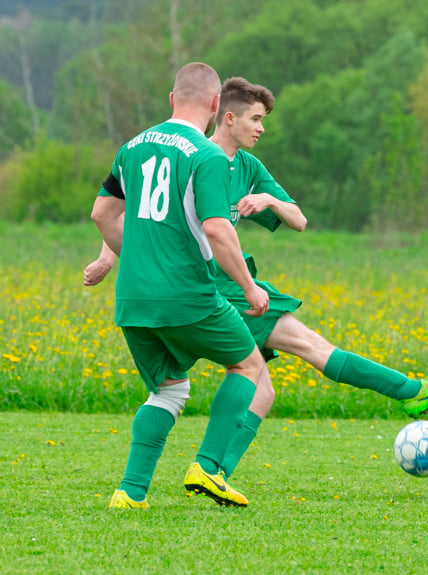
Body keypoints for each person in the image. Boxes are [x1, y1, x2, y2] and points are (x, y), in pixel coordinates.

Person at [85, 76, 428, 480]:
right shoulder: (198, 157)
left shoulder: (248, 166)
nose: (262, 128)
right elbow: (149, 216)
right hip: (211, 286)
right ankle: (411, 392)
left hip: (222, 283)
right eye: (255, 118)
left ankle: (214, 475)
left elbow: (299, 220)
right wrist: (107, 255)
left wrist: (269, 199)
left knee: (263, 391)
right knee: (309, 345)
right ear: (227, 114)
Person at [91, 62, 270, 510]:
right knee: (249, 366)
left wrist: (134, 259)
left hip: (132, 298)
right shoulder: (205, 155)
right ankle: (208, 467)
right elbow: (216, 228)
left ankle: (130, 494)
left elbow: (102, 214)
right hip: (187, 294)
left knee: (168, 389)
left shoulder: (131, 147)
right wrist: (249, 286)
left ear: (172, 99)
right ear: (216, 105)